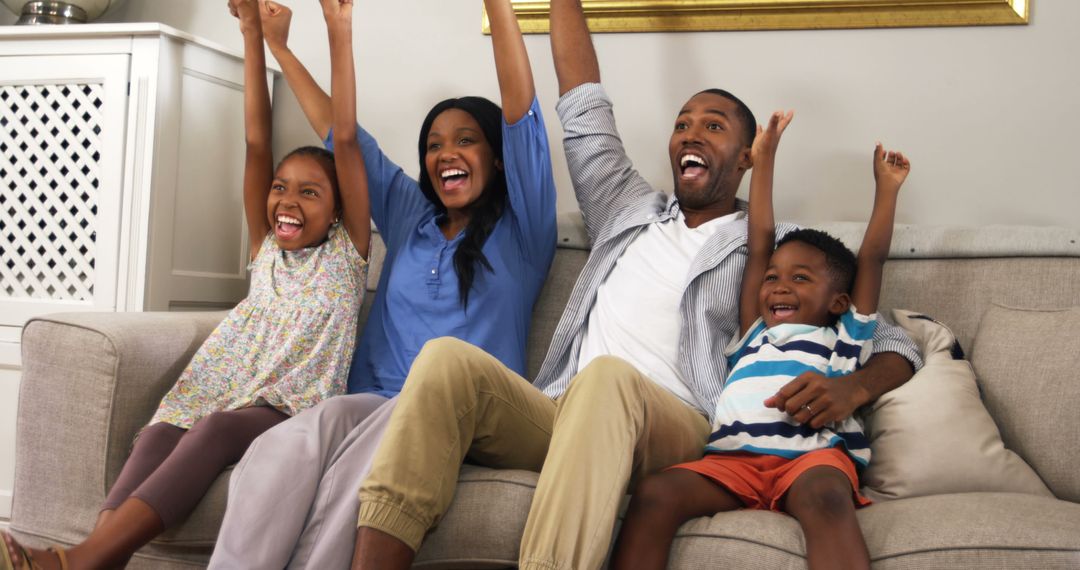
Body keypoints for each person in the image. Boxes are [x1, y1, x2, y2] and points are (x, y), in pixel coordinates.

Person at [346, 1, 923, 569]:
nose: (689, 135)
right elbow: (583, 103)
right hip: (565, 410)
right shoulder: (625, 209)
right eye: (682, 125)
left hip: (671, 423)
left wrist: (853, 389)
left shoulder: (776, 249)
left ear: (748, 158)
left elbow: (894, 341)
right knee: (446, 360)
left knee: (608, 379)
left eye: (712, 127)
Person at [0, 1, 370, 569]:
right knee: (156, 434)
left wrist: (337, 30)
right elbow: (254, 142)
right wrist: (250, 35)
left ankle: (75, 562)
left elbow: (345, 139)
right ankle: (102, 560)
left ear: (340, 211)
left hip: (287, 401)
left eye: (310, 193)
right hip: (218, 384)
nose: (287, 202)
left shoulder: (347, 256)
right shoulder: (266, 246)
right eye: (279, 187)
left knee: (215, 430)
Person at [207, 0, 556, 567]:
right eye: (435, 144)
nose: (446, 153)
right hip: (368, 400)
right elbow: (340, 131)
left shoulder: (524, 230)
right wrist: (277, 45)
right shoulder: (410, 215)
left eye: (465, 140)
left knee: (362, 461)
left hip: (450, 413)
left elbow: (521, 112)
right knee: (285, 444)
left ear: (497, 158)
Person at [610, 106, 911, 569]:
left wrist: (886, 191)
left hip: (809, 461)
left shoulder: (844, 337)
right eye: (773, 278)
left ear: (837, 301)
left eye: (801, 279)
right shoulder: (754, 333)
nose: (779, 287)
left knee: (827, 500)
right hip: (732, 461)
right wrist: (765, 158)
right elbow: (759, 239)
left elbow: (871, 260)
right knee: (655, 492)